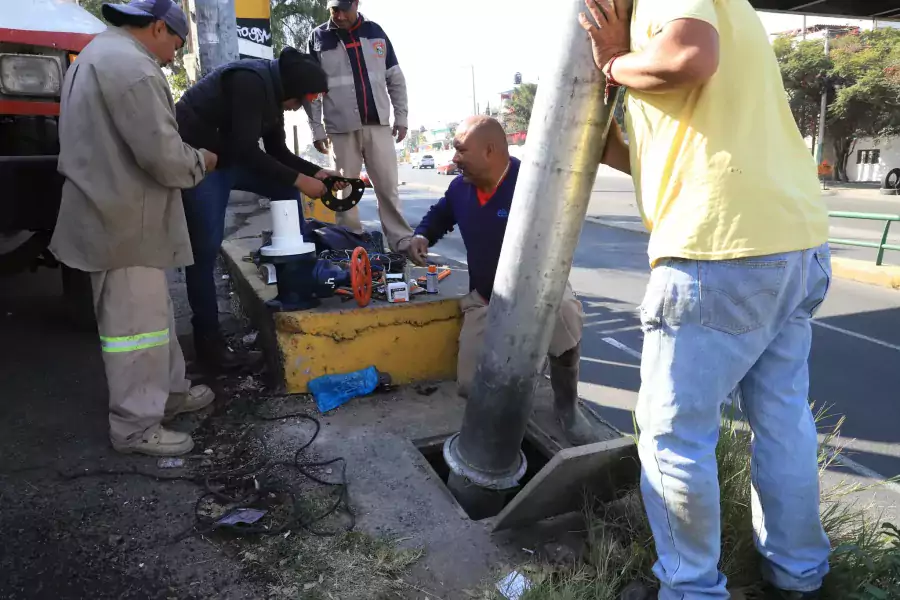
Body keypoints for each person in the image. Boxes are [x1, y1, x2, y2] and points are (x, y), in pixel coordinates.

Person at [581, 0, 832, 598]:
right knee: (782, 423)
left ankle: (689, 588)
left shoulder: (663, 14)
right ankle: (799, 576)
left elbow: (691, 58)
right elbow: (652, 146)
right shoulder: (727, 13)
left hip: (719, 248)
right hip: (794, 238)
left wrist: (614, 63)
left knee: (674, 437)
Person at [50, 0, 218, 457]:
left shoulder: (99, 54)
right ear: (159, 27)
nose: (173, 57)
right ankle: (135, 426)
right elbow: (163, 156)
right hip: (121, 221)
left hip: (120, 217)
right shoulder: (134, 70)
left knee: (153, 318)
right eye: (176, 45)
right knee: (134, 331)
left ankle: (169, 395)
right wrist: (200, 160)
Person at [406, 116, 605, 447]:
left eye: (460, 150)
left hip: (540, 291)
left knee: (567, 318)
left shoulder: (532, 184)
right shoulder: (459, 189)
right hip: (485, 298)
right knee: (471, 385)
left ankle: (567, 407)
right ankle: (517, 397)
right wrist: (422, 235)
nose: (454, 159)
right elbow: (441, 214)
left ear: (490, 150)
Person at [176, 48, 340, 371]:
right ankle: (209, 345)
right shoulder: (250, 83)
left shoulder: (273, 89)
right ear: (291, 91)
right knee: (205, 248)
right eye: (300, 102)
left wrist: (315, 173)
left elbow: (276, 151)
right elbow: (246, 150)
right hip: (203, 160)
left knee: (285, 188)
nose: (297, 110)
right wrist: (301, 180)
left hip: (233, 158)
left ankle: (296, 279)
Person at [305, 0, 414, 252]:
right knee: (344, 191)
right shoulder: (318, 38)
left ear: (356, 4)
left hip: (378, 126)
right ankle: (350, 244)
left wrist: (402, 117)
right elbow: (311, 91)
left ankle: (401, 242)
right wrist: (316, 129)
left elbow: (395, 79)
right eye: (334, 10)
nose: (339, 15)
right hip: (340, 129)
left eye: (344, 9)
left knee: (388, 188)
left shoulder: (375, 32)